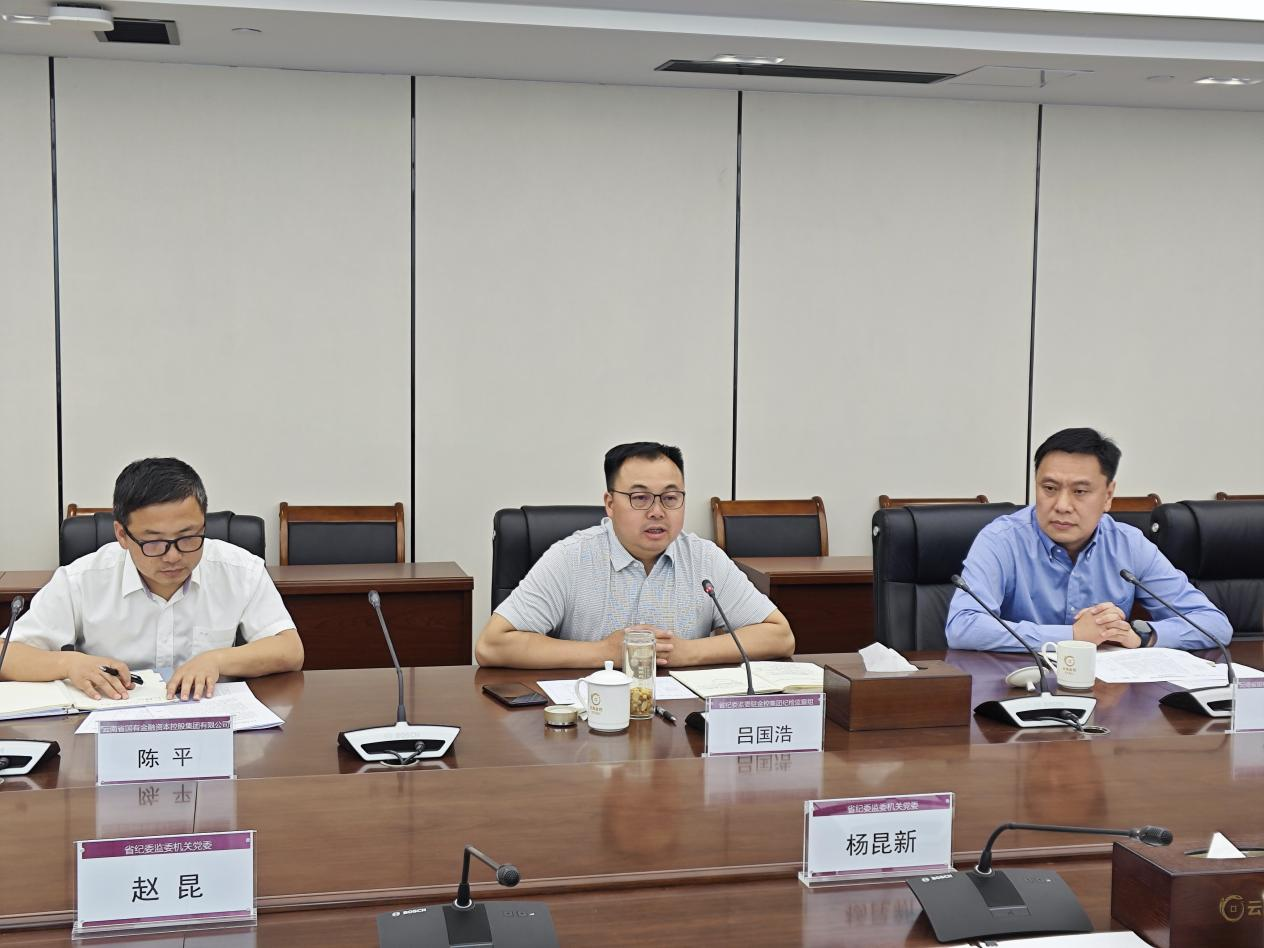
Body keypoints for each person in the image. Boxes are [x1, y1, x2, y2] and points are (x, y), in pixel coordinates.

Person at [2, 457, 304, 700]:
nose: (173, 556)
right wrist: (69, 664)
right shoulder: (82, 579)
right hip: (112, 725)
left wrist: (217, 660)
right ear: (122, 535)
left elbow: (290, 650)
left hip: (210, 724)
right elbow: (6, 654)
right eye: (154, 542)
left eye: (188, 537)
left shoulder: (240, 570)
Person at [475, 442, 794, 669]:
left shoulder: (704, 559)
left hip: (680, 724)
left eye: (670, 497)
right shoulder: (571, 559)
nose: (657, 511)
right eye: (640, 498)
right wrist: (604, 652)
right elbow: (492, 645)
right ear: (610, 504)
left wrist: (687, 652)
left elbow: (780, 636)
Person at [946, 427, 1231, 652]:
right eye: (1049, 488)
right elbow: (962, 627)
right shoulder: (1001, 541)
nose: (1062, 505)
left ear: (1108, 496)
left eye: (1080, 491)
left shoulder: (1128, 545)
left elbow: (1214, 624)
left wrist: (1142, 636)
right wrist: (1073, 636)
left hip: (1107, 694)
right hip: (1021, 689)